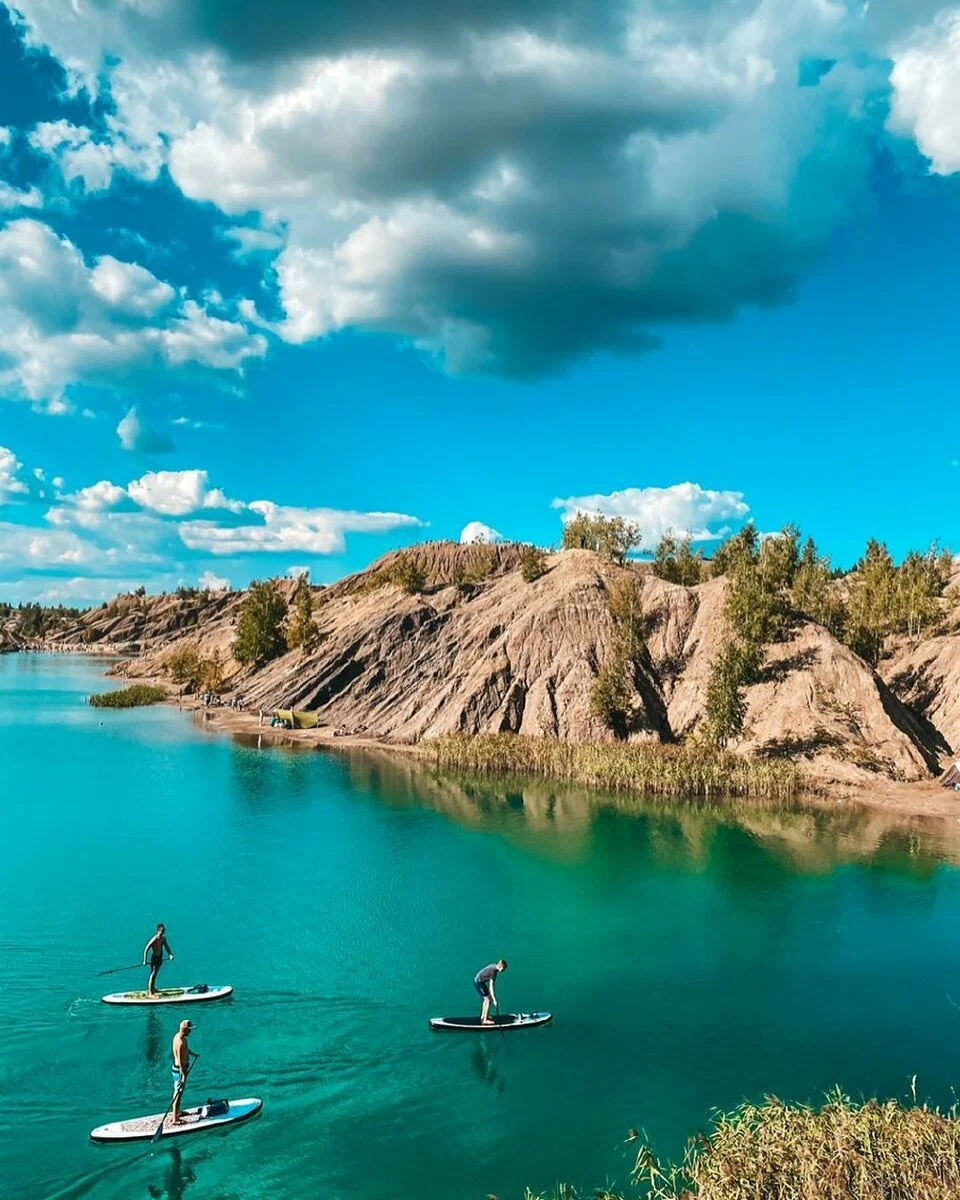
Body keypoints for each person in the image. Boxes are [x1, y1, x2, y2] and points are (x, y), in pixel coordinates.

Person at [170, 1019, 194, 1125]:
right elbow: (179, 1059)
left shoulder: (179, 1037)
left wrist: (193, 1054)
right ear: (185, 1029)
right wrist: (183, 1074)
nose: (191, 1031)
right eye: (189, 1030)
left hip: (180, 1069)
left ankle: (178, 1112)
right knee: (178, 1093)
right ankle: (175, 1119)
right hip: (180, 1070)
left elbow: (186, 1050)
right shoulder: (179, 1042)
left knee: (179, 1092)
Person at [143, 923, 174, 996]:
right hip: (154, 958)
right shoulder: (154, 939)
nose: (163, 932)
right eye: (162, 930)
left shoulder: (163, 939)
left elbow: (166, 947)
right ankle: (150, 992)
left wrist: (170, 954)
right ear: (158, 930)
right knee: (153, 973)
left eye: (164, 930)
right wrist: (145, 960)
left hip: (160, 957)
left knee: (155, 973)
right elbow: (146, 949)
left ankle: (153, 988)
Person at [474, 959, 507, 1024]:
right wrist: (494, 1000)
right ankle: (485, 1020)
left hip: (480, 982)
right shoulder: (493, 972)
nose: (504, 971)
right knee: (488, 1000)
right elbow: (491, 987)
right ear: (500, 967)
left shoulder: (494, 966)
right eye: (503, 969)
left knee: (487, 999)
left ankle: (483, 1016)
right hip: (478, 983)